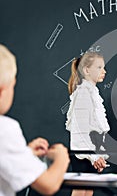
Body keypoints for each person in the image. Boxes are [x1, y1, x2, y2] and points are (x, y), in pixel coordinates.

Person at [0, 44, 70, 196]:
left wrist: (26, 153)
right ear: (2, 91)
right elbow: (49, 185)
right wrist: (62, 158)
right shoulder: (4, 129)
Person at [66, 51, 110, 196]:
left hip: (90, 153)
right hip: (83, 154)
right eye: (99, 68)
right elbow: (80, 132)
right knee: (81, 190)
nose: (104, 71)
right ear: (86, 70)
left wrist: (99, 155)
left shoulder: (92, 92)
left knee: (88, 190)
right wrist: (94, 156)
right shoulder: (83, 93)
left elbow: (94, 129)